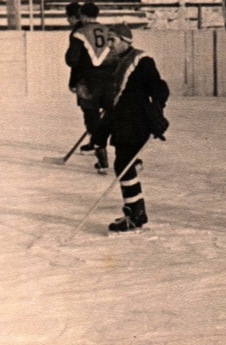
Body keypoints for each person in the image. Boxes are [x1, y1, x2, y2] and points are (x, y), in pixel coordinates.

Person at [91, 24, 170, 232]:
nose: (109, 44)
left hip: (137, 122)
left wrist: (158, 113)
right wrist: (101, 132)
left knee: (123, 164)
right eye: (108, 40)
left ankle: (136, 214)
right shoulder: (119, 63)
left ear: (126, 41)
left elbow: (159, 88)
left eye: (113, 40)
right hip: (123, 122)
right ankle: (135, 211)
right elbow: (116, 100)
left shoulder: (141, 60)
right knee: (123, 165)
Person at [65, 2, 115, 174]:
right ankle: (131, 156)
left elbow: (72, 60)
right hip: (109, 81)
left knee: (92, 118)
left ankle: (102, 160)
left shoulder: (79, 33)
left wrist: (73, 82)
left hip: (87, 83)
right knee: (113, 116)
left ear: (83, 15)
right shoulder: (107, 30)